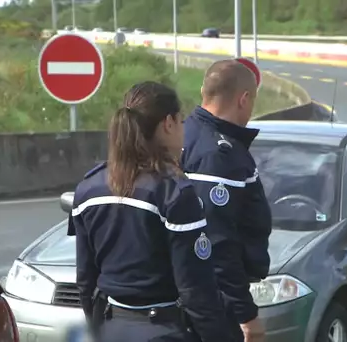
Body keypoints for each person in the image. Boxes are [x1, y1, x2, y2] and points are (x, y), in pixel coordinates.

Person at [68, 81, 233, 342]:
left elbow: (85, 282)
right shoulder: (174, 193)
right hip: (164, 330)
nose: (183, 132)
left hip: (112, 328)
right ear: (169, 123)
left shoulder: (88, 189)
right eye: (181, 122)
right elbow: (195, 289)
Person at [180, 59, 271, 342]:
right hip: (213, 303)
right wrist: (245, 313)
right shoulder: (219, 155)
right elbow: (217, 242)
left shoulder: (183, 134)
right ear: (244, 99)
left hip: (186, 296)